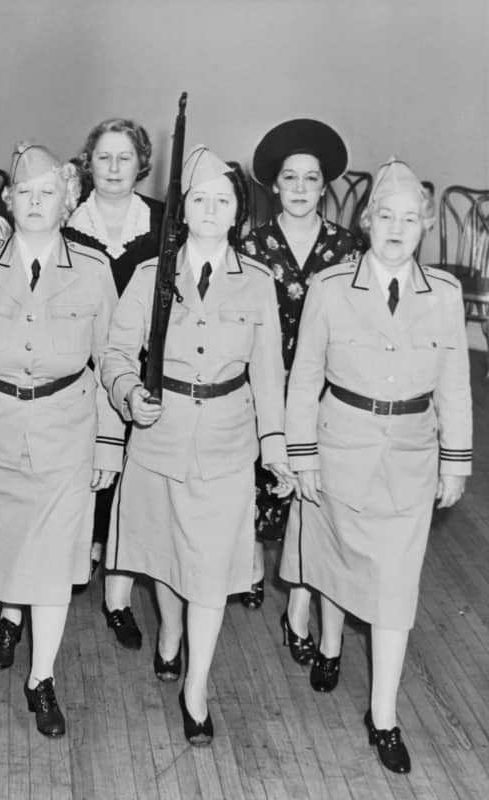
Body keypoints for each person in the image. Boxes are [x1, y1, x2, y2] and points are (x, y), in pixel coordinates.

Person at [281, 157, 471, 774]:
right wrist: (301, 452)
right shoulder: (331, 287)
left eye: (411, 218)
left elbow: (457, 387)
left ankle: (383, 716)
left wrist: (456, 462)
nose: (397, 227)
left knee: (394, 589)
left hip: (411, 457)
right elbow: (306, 374)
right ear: (366, 222)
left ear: (424, 228)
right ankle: (330, 645)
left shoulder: (443, 295)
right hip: (339, 448)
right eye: (385, 215)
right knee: (338, 561)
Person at [101, 146, 291, 746]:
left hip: (228, 441)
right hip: (160, 437)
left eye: (223, 200)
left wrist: (276, 446)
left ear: (238, 212)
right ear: (184, 208)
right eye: (200, 200)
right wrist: (130, 394)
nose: (211, 211)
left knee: (210, 573)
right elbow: (113, 355)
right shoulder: (149, 275)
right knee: (165, 556)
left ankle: (196, 687)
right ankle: (168, 636)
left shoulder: (258, 283)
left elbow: (269, 373)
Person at [0, 142, 122, 738]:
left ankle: (41, 676)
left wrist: (108, 443)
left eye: (49, 193)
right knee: (8, 547)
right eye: (26, 193)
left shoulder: (94, 272)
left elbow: (112, 361)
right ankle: (7, 617)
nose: (37, 203)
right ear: (9, 202)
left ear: (67, 201)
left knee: (54, 561)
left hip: (66, 431)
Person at [239, 119, 363, 651]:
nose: (299, 188)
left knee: (313, 499)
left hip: (322, 396)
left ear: (324, 186)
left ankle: (300, 601)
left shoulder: (348, 247)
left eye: (310, 179)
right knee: (259, 491)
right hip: (264, 389)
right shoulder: (250, 246)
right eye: (290, 178)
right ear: (274, 184)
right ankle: (246, 567)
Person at [65, 117, 165, 650]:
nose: (113, 168)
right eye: (103, 157)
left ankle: (119, 597)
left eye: (124, 158)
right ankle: (78, 560)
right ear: (89, 162)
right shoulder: (68, 224)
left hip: (141, 371)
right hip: (81, 370)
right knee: (88, 470)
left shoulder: (164, 224)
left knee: (133, 480)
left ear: (140, 164)